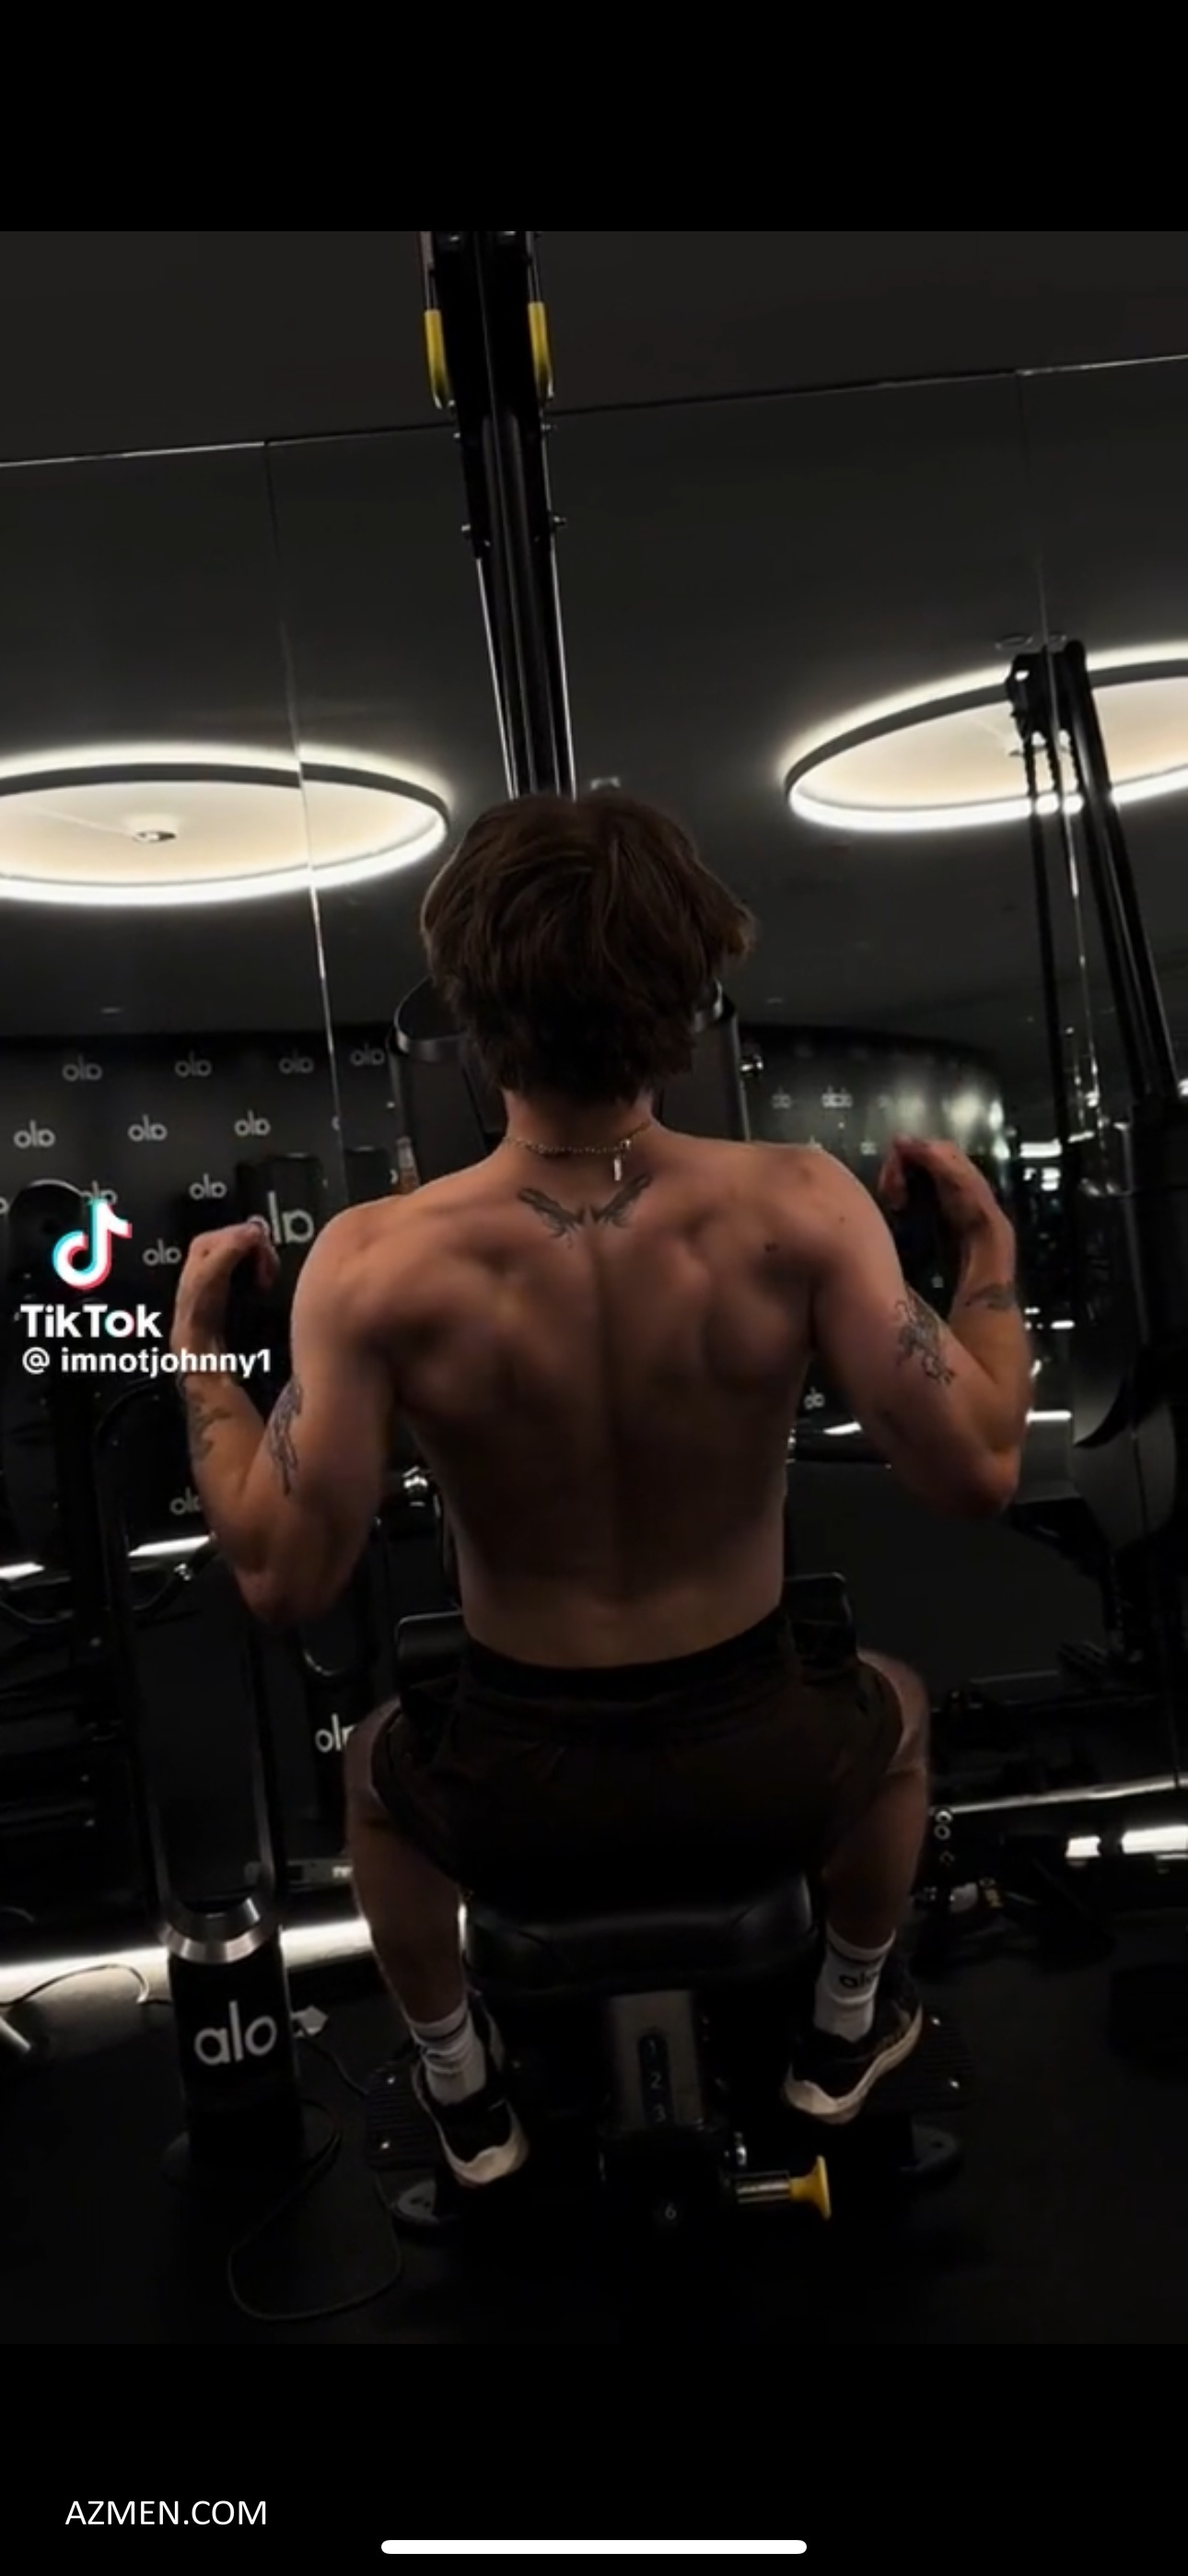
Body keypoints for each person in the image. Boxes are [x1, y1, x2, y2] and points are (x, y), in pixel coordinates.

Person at [170, 790, 1032, 2190]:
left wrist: (197, 1350)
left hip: (518, 1790)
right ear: (690, 1003)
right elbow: (981, 1465)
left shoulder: (375, 1261)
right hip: (762, 1761)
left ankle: (462, 2091)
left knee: (373, 1774)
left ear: (467, 1012)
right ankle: (843, 2025)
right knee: (899, 1713)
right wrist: (985, 1249)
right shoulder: (801, 1205)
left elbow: (279, 1575)